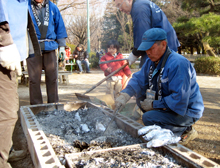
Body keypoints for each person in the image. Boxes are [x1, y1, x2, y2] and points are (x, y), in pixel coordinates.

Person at [115, 28, 204, 145]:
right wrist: (126, 93)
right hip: (168, 104)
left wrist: (153, 105)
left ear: (163, 44)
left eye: (151, 48)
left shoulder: (178, 64)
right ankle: (167, 124)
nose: (148, 52)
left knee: (148, 118)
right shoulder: (151, 61)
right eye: (146, 49)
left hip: (186, 111)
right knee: (141, 98)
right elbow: (138, 79)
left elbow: (180, 98)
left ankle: (184, 131)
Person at [0, 0, 41, 166]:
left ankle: (6, 149)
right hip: (4, 48)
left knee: (9, 106)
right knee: (6, 113)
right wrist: (4, 40)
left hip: (11, 50)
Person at [114, 0, 180, 68]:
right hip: (167, 42)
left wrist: (134, 54)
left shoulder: (139, 9)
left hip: (159, 46)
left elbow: (142, 36)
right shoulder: (142, 4)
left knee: (149, 72)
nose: (120, 9)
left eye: (119, 5)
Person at [27, 0, 67, 105]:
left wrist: (62, 46)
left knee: (52, 78)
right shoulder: (25, 6)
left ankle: (53, 105)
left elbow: (60, 26)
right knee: (34, 80)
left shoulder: (53, 7)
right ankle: (36, 106)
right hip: (33, 47)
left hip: (50, 46)